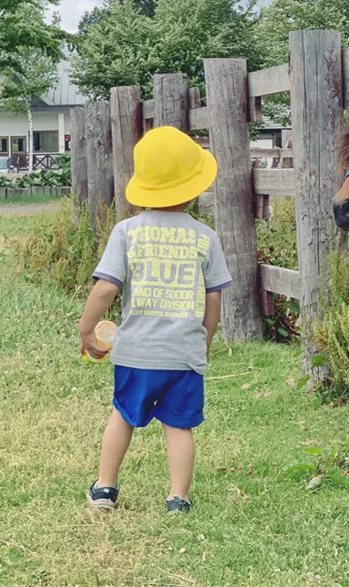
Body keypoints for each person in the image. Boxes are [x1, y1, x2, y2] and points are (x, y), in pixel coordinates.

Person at [77, 125, 231, 514]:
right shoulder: (205, 237)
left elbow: (105, 289)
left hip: (137, 352)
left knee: (122, 415)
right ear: (193, 187)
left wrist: (86, 328)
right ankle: (178, 498)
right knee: (179, 425)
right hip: (183, 353)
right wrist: (204, 342)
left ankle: (105, 488)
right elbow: (213, 300)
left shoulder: (127, 232)